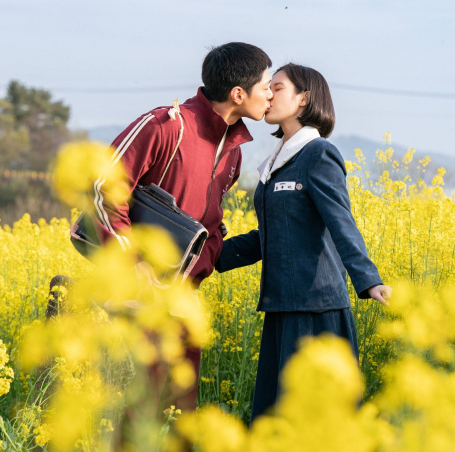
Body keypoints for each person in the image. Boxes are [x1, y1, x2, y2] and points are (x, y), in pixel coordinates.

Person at [86, 42, 273, 441]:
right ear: (239, 94)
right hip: (137, 298)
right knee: (134, 414)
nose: (271, 94)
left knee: (177, 418)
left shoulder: (235, 153)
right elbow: (103, 187)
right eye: (267, 85)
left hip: (184, 302)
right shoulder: (167, 125)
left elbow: (206, 221)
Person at [214, 63, 392, 425]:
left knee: (320, 421)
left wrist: (368, 278)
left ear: (303, 99)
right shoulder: (275, 162)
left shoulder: (317, 155)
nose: (267, 95)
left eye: (276, 88)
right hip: (282, 308)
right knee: (276, 419)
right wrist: (211, 255)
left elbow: (340, 222)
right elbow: (272, 235)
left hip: (317, 309)